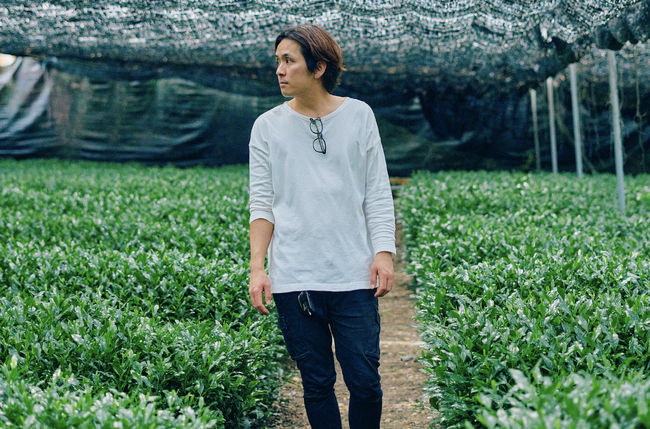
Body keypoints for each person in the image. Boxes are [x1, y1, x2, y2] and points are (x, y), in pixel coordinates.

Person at [248, 23, 396, 429]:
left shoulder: (359, 115)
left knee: (365, 383)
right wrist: (258, 268)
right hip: (294, 277)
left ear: (318, 67)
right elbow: (262, 203)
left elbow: (376, 191)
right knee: (316, 384)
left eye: (288, 60)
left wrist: (383, 253)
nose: (279, 70)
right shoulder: (267, 126)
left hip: (353, 275)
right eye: (277, 61)